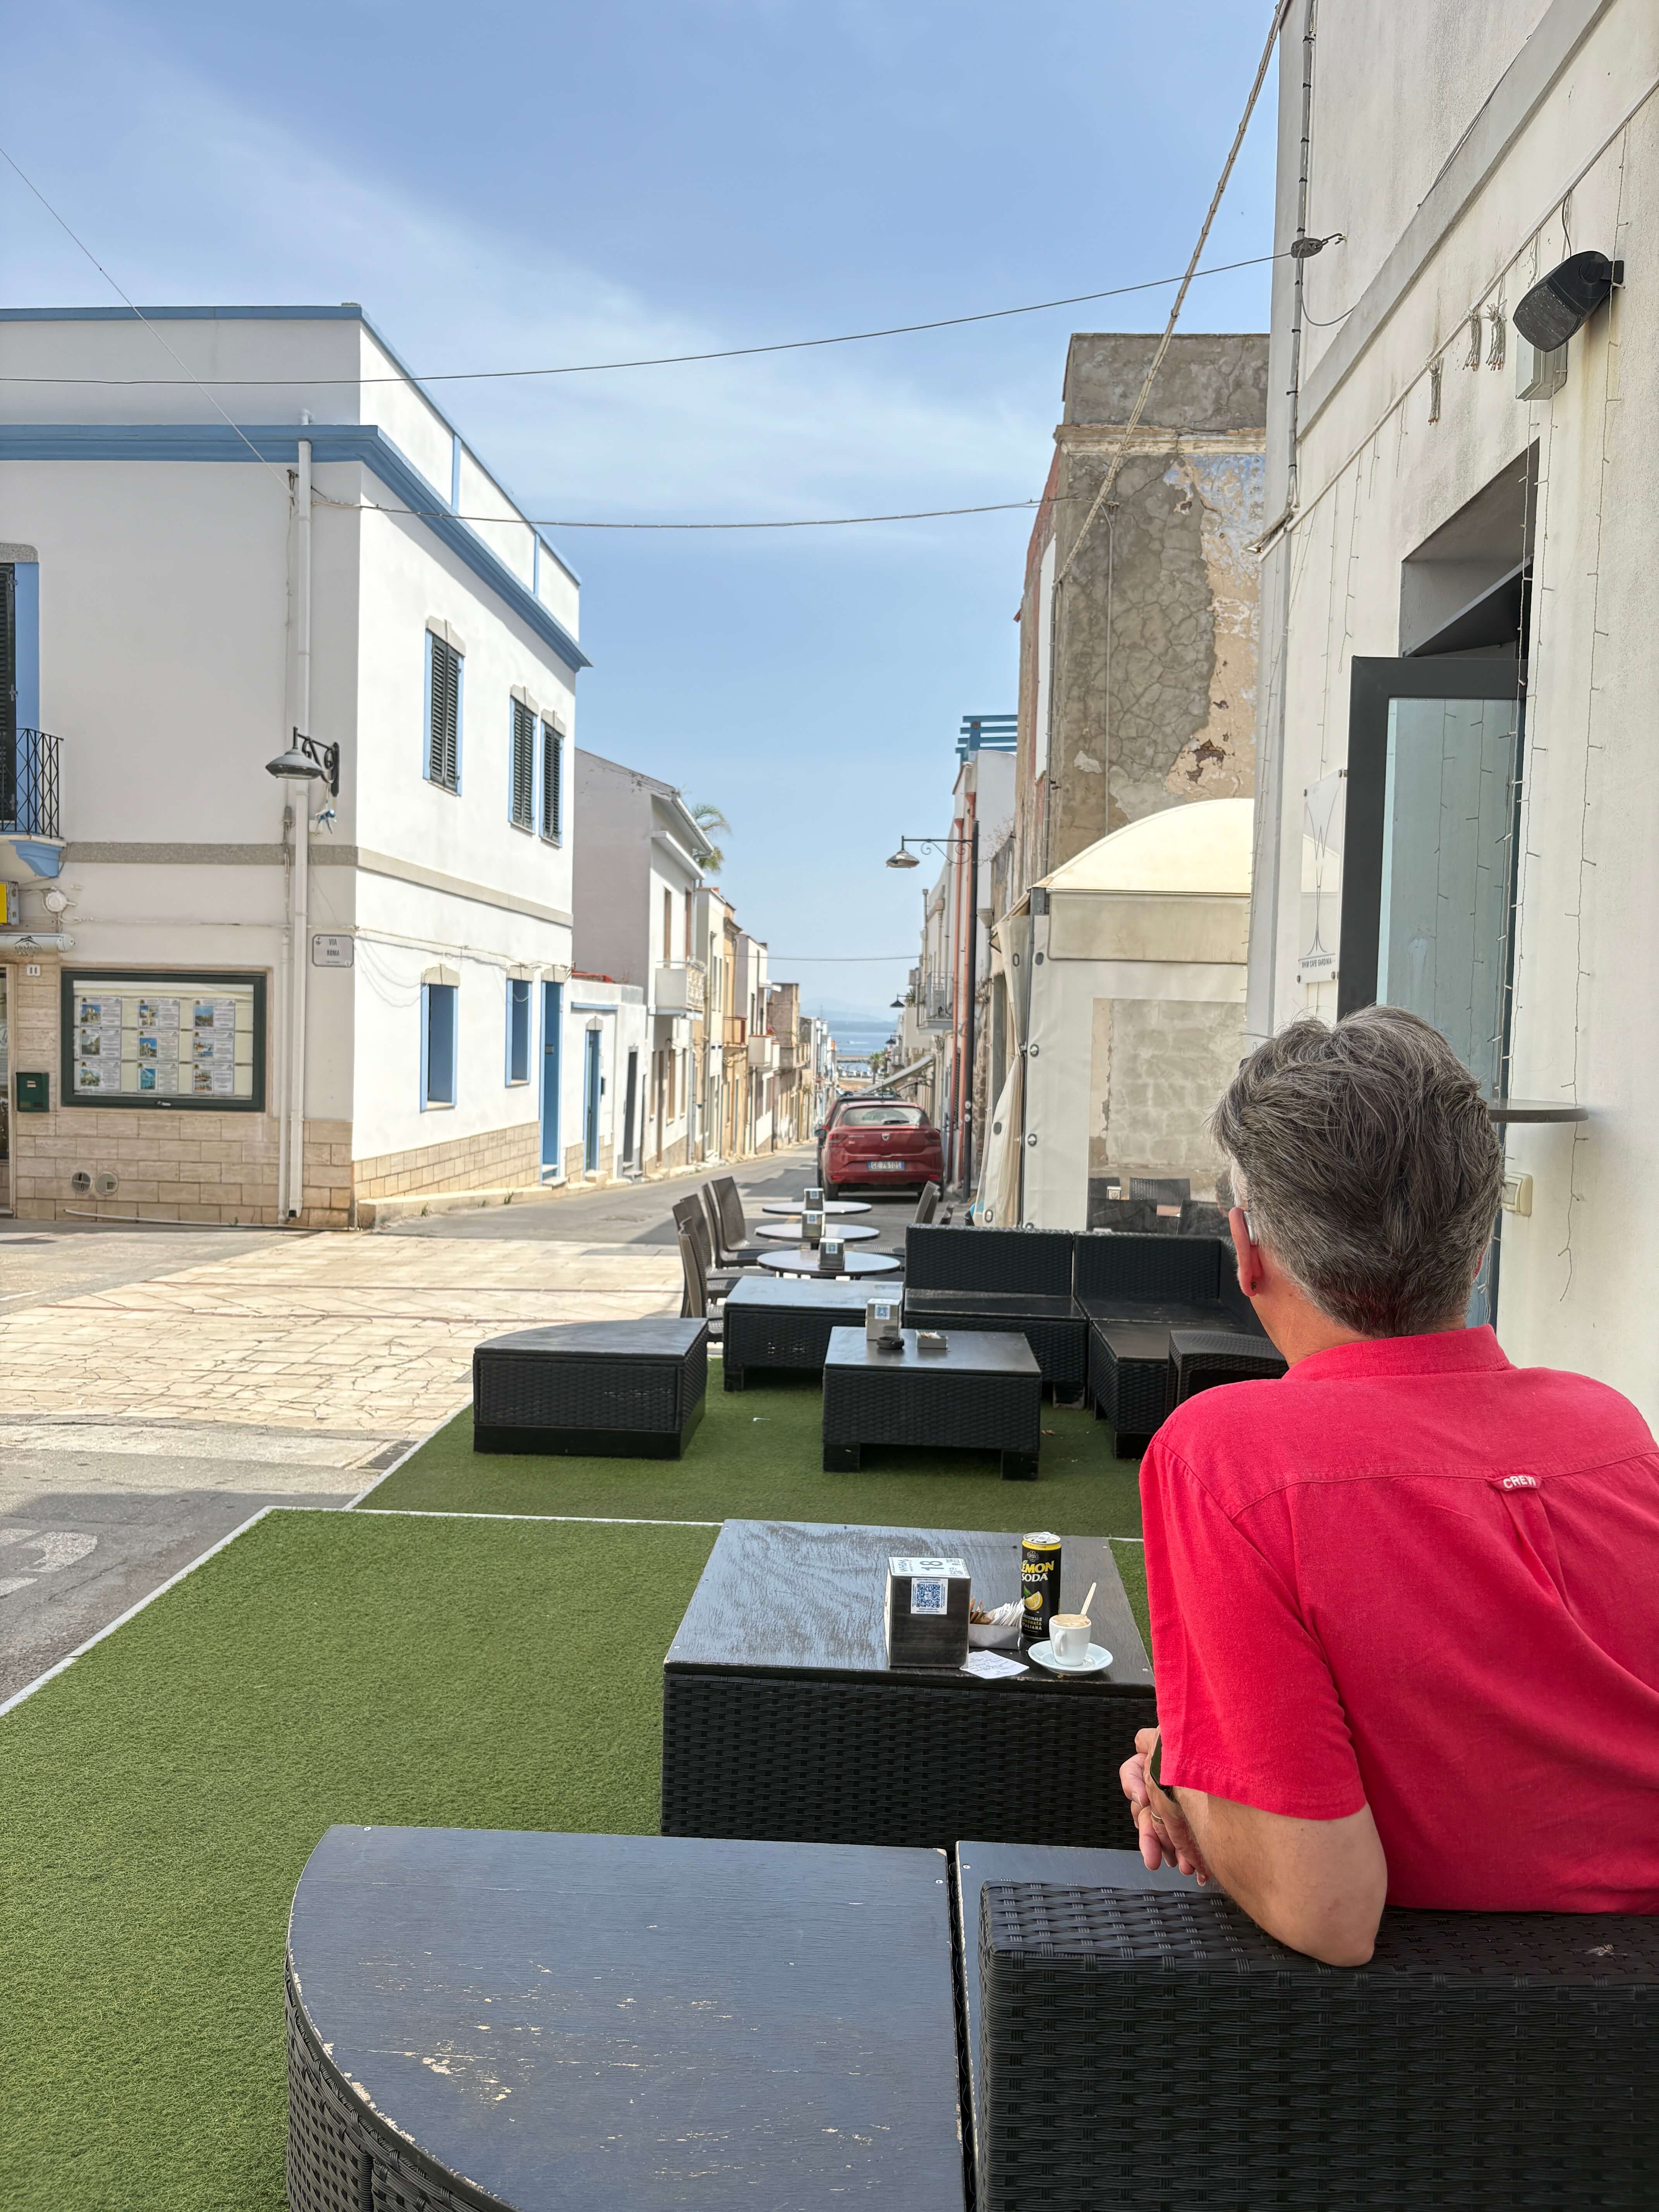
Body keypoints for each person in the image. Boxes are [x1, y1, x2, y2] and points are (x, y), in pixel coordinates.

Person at [1120, 1006, 1659, 1965]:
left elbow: (1325, 1911)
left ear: (1248, 1253)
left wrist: (1174, 1775)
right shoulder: (1609, 1428)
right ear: (1478, 1249)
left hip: (1437, 2041)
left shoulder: (1231, 1458)